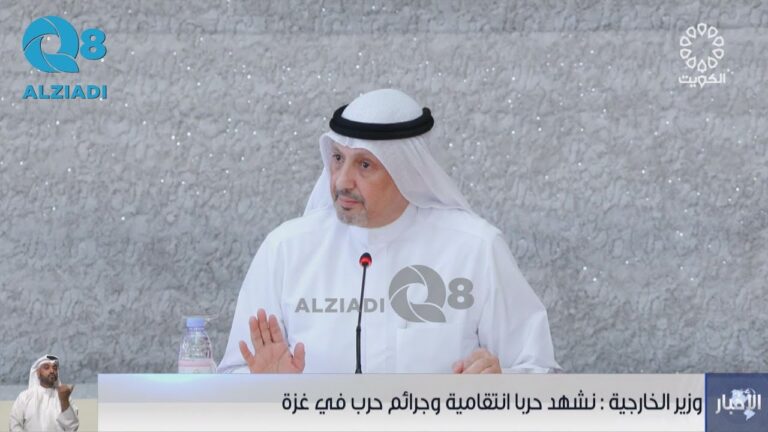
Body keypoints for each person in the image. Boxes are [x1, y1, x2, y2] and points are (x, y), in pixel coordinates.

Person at [218, 89, 560, 374]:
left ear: (407, 171)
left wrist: (498, 383)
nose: (342, 181)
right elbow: (233, 376)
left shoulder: (475, 249)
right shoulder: (286, 249)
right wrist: (268, 388)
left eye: (364, 165)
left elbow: (538, 372)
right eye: (338, 159)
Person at [9, 355, 79, 432]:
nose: (52, 371)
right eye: (46, 367)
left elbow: (72, 428)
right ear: (38, 373)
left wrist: (64, 400)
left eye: (54, 368)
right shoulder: (24, 397)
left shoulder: (65, 398)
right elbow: (14, 425)